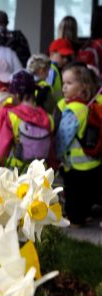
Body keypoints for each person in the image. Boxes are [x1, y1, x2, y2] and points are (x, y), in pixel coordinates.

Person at [55, 62, 102, 227]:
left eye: (69, 83)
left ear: (83, 87)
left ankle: (75, 221)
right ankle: (85, 214)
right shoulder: (90, 105)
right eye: (63, 83)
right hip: (93, 162)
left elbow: (63, 137)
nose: (64, 88)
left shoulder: (73, 110)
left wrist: (56, 155)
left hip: (76, 166)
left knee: (74, 196)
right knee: (87, 194)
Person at [0, 70, 53, 165]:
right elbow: (51, 148)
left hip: (19, 168)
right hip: (42, 169)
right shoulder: (47, 117)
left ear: (17, 95)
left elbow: (3, 146)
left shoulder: (12, 116)